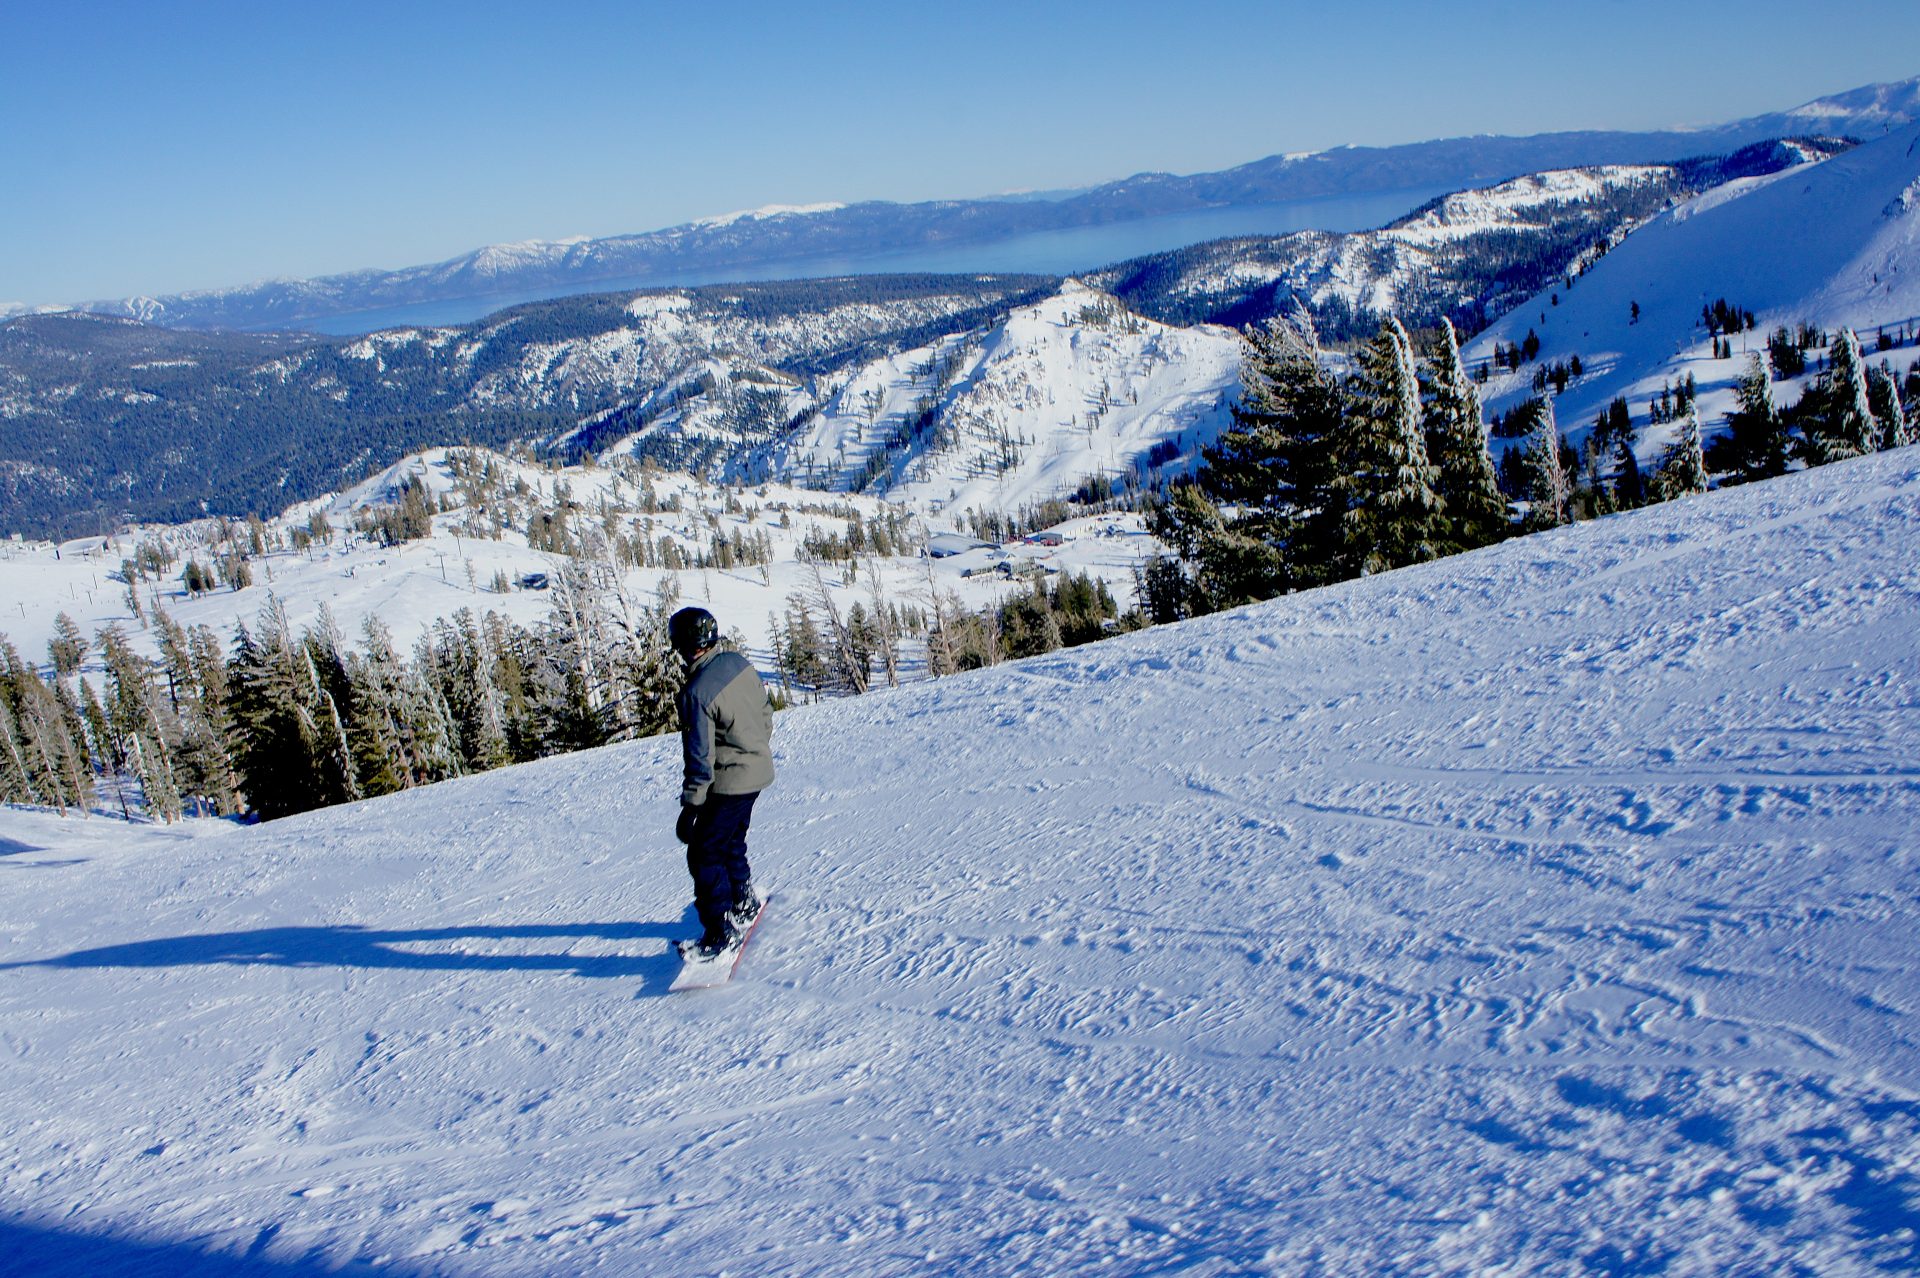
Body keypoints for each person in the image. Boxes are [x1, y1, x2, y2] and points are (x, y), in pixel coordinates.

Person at [668, 606, 774, 958]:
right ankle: (741, 900)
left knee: (703, 853)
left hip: (731, 782)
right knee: (729, 838)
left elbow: (699, 759)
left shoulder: (697, 693)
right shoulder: (737, 662)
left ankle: (719, 932)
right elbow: (765, 712)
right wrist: (754, 749)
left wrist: (691, 806)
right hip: (758, 771)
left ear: (683, 645)